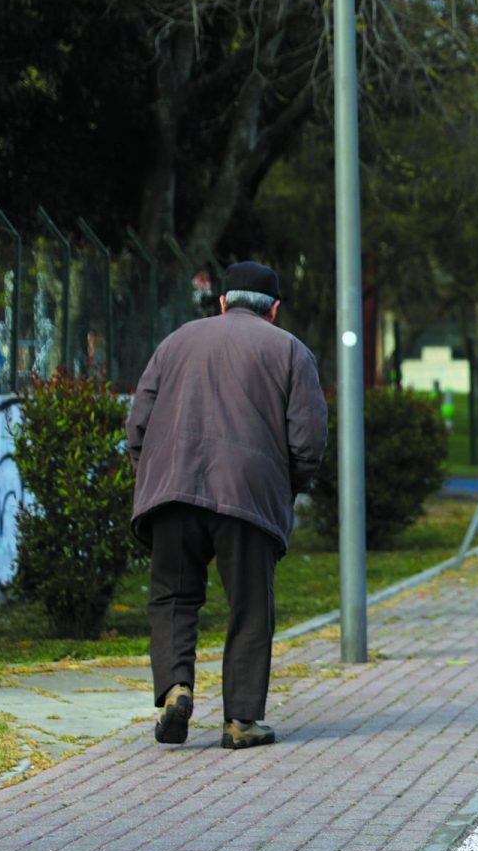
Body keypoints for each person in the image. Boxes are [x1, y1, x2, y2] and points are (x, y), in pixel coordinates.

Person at [126, 261, 327, 751]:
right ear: (274, 310)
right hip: (248, 495)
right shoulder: (291, 352)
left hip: (173, 486)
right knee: (250, 607)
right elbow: (308, 439)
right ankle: (240, 721)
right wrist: (286, 485)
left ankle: (176, 688)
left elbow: (139, 423)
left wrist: (152, 472)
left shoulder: (175, 341)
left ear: (222, 302)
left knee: (173, 596)